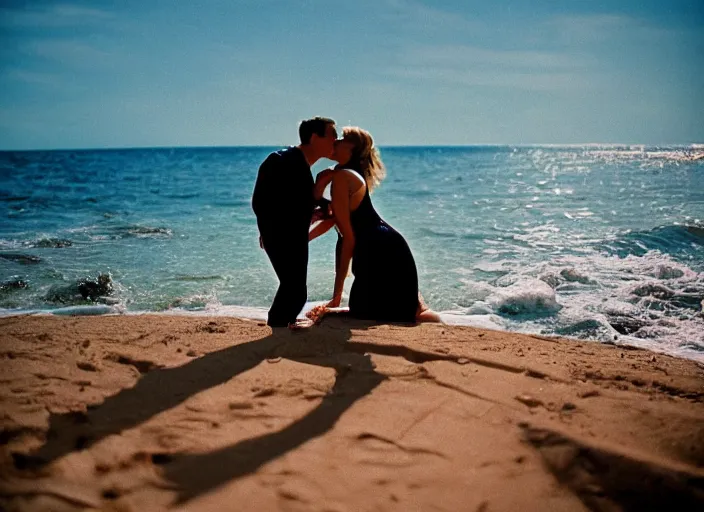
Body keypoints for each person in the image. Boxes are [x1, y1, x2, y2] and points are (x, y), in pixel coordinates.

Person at [308, 126, 440, 324]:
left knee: (367, 312)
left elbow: (347, 238)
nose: (335, 141)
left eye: (342, 138)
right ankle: (420, 307)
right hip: (384, 245)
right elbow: (336, 224)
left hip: (380, 250)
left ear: (353, 148)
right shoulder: (343, 174)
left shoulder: (343, 176)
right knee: (400, 312)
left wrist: (336, 297)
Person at [252, 117, 337, 328]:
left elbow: (299, 202)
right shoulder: (281, 160)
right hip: (282, 235)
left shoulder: (300, 165)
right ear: (315, 137)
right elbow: (260, 201)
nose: (336, 141)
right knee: (295, 290)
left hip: (290, 234)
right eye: (332, 135)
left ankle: (283, 324)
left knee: (295, 290)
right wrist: (269, 230)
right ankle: (279, 327)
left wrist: (323, 205)